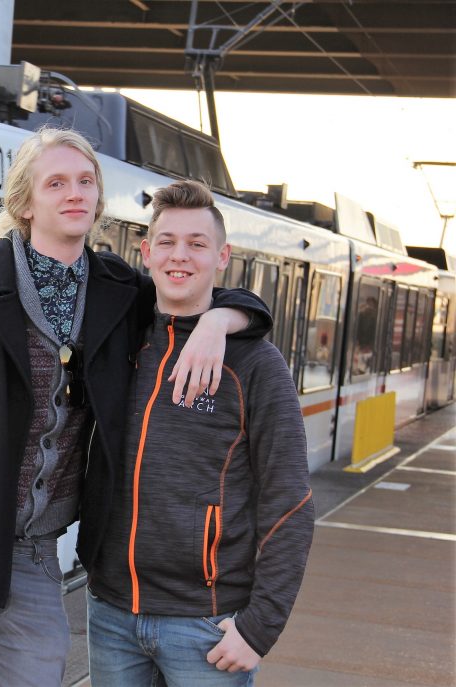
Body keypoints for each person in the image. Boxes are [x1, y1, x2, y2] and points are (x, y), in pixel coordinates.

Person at [0, 128, 270, 687]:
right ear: (26, 204)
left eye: (85, 181)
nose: (75, 193)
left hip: (34, 552)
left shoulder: (120, 294)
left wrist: (223, 319)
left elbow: (199, 287)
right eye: (56, 183)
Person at [84, 180, 314, 687]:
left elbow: (289, 501)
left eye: (197, 243)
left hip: (205, 624)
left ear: (223, 256)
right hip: (110, 614)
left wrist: (260, 628)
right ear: (145, 253)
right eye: (166, 242)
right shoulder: (121, 341)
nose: (179, 256)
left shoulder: (255, 364)